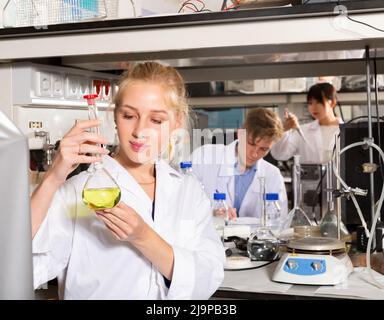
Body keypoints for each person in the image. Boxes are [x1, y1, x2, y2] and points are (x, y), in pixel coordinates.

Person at [31, 62, 225, 300]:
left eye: (156, 120)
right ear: (115, 116)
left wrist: (143, 237)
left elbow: (208, 276)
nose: (140, 130)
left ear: (177, 121)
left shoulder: (188, 191)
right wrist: (52, 178)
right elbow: (23, 267)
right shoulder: (80, 193)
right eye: (129, 115)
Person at [190, 108, 288, 220]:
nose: (254, 154)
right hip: (206, 235)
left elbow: (279, 223)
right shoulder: (204, 156)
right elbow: (181, 202)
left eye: (263, 149)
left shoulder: (273, 175)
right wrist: (211, 214)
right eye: (251, 143)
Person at [271, 82, 342, 164]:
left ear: (332, 102)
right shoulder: (303, 131)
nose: (313, 107)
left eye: (319, 102)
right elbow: (279, 154)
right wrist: (284, 130)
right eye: (310, 103)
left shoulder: (346, 132)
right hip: (310, 177)